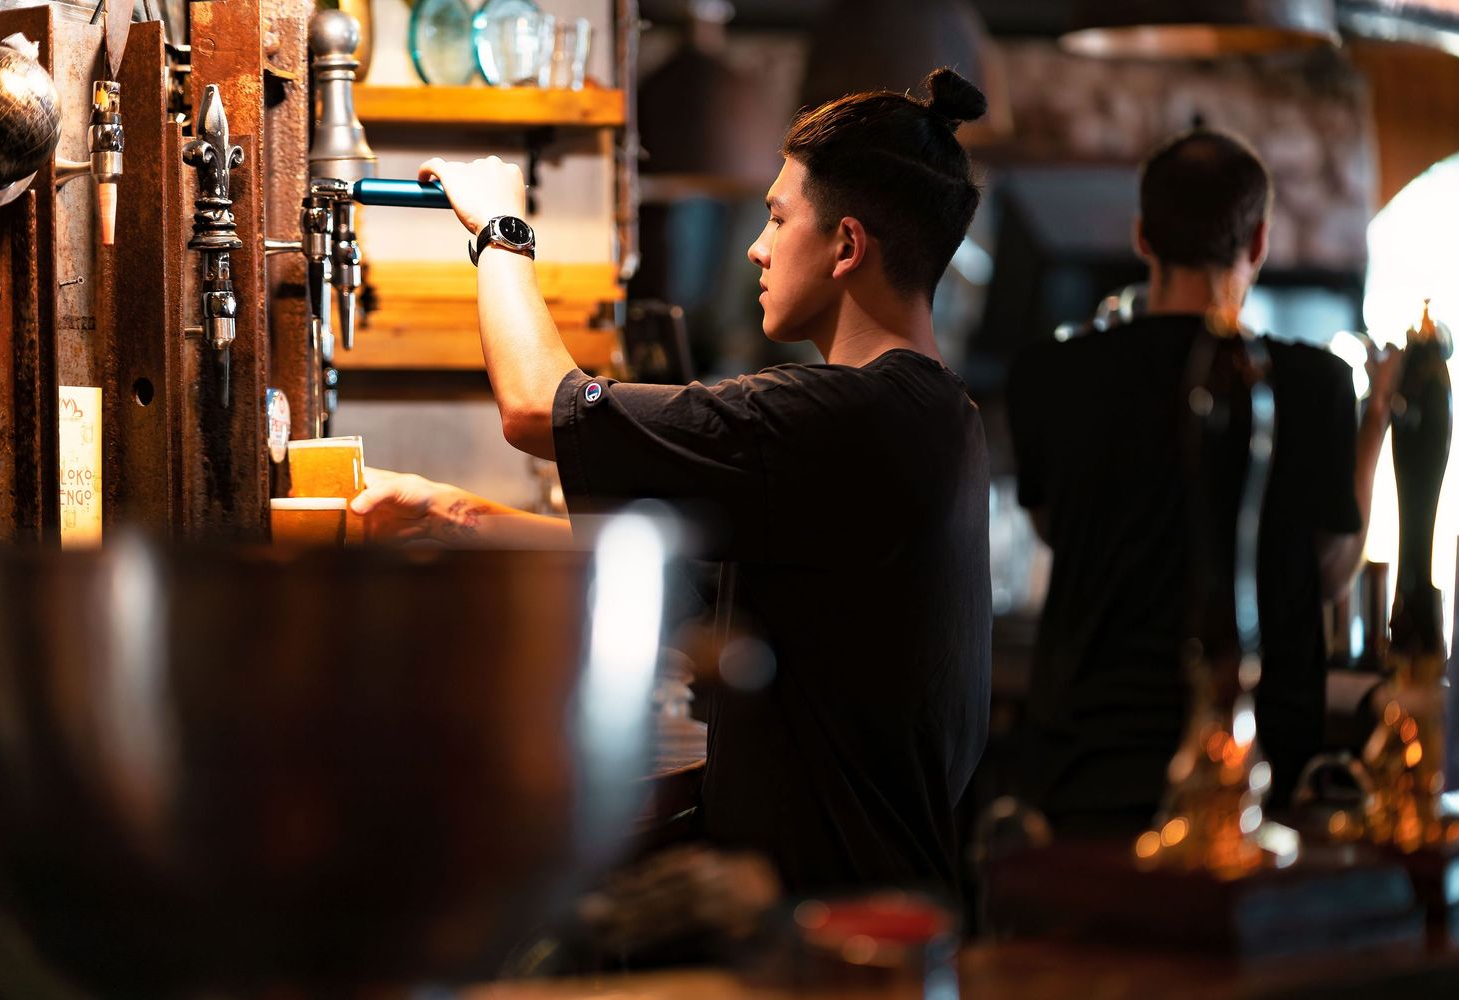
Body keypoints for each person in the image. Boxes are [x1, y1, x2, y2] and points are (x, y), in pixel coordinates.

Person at [351, 69, 994, 894]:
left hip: (824, 930)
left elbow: (535, 408)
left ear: (846, 246)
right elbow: (679, 581)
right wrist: (456, 514)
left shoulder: (843, 418)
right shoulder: (936, 415)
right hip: (861, 897)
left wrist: (501, 231)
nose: (758, 247)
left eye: (776, 217)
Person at [1005, 129, 1398, 834]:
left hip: (1087, 755)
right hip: (1255, 761)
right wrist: (1376, 422)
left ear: (1143, 237)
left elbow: (1053, 529)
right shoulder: (1315, 384)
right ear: (1258, 244)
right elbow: (1332, 572)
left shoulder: (1051, 374)